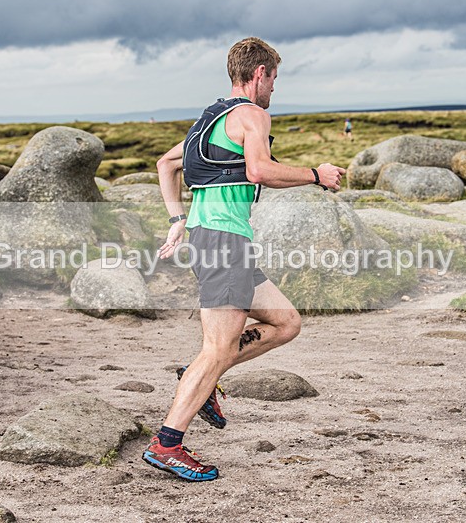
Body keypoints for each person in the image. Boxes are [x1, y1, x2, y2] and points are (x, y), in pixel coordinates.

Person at [143, 37, 345, 482]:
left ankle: (199, 376)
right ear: (259, 74)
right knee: (215, 350)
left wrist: (179, 218)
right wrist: (317, 174)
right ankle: (167, 444)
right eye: (274, 78)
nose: (274, 88)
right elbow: (259, 171)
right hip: (223, 244)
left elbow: (164, 164)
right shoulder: (253, 114)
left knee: (286, 322)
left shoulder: (207, 122)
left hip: (216, 240)